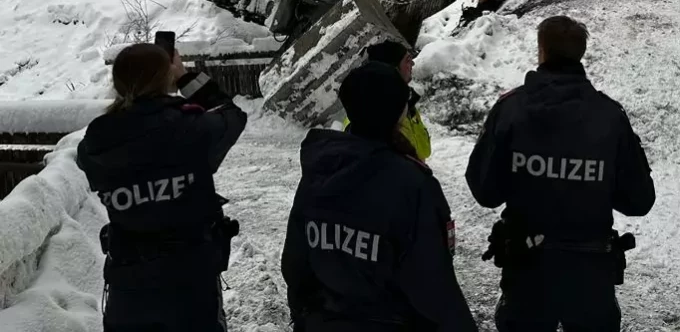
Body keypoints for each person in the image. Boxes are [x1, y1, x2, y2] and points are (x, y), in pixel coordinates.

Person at [466, 16, 656, 332]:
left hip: (526, 273)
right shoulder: (610, 116)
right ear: (580, 53)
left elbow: (484, 190)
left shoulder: (511, 109)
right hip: (590, 278)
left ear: (542, 51)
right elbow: (639, 201)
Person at [282, 62, 477, 332]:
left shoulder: (320, 169)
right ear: (400, 114)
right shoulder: (414, 185)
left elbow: (295, 265)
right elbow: (434, 287)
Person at [77, 43, 248, 332]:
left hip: (127, 285)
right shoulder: (192, 128)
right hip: (189, 281)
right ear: (166, 78)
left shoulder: (96, 141)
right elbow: (231, 114)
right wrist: (184, 78)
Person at [359, 39, 431, 161]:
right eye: (407, 60)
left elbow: (424, 150)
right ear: (393, 68)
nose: (412, 64)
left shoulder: (406, 102)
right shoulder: (367, 114)